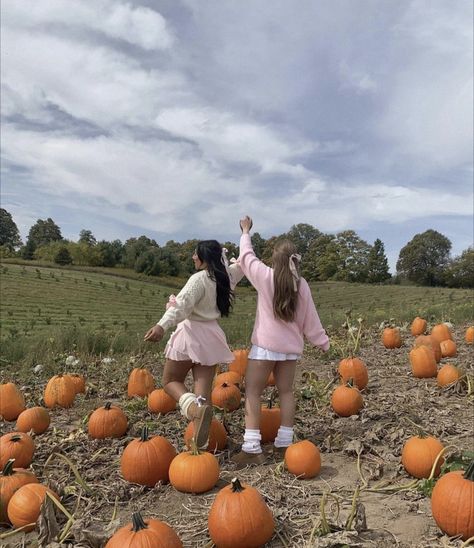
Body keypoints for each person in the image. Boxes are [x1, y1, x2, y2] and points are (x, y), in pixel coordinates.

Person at [232, 216, 329, 466]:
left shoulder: (266, 277)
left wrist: (245, 231)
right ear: (295, 259)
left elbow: (246, 257)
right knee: (286, 392)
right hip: (290, 351)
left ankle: (252, 448)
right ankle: (284, 444)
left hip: (264, 348)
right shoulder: (302, 284)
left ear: (274, 259)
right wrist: (323, 342)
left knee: (253, 391)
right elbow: (311, 319)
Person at [144, 240, 243, 448]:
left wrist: (161, 326)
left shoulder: (199, 279)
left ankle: (192, 410)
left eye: (196, 254)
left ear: (205, 258)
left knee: (171, 381)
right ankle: (201, 446)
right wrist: (245, 233)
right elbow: (243, 264)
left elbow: (181, 305)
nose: (193, 257)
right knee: (203, 394)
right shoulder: (227, 277)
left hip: (190, 335)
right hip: (211, 337)